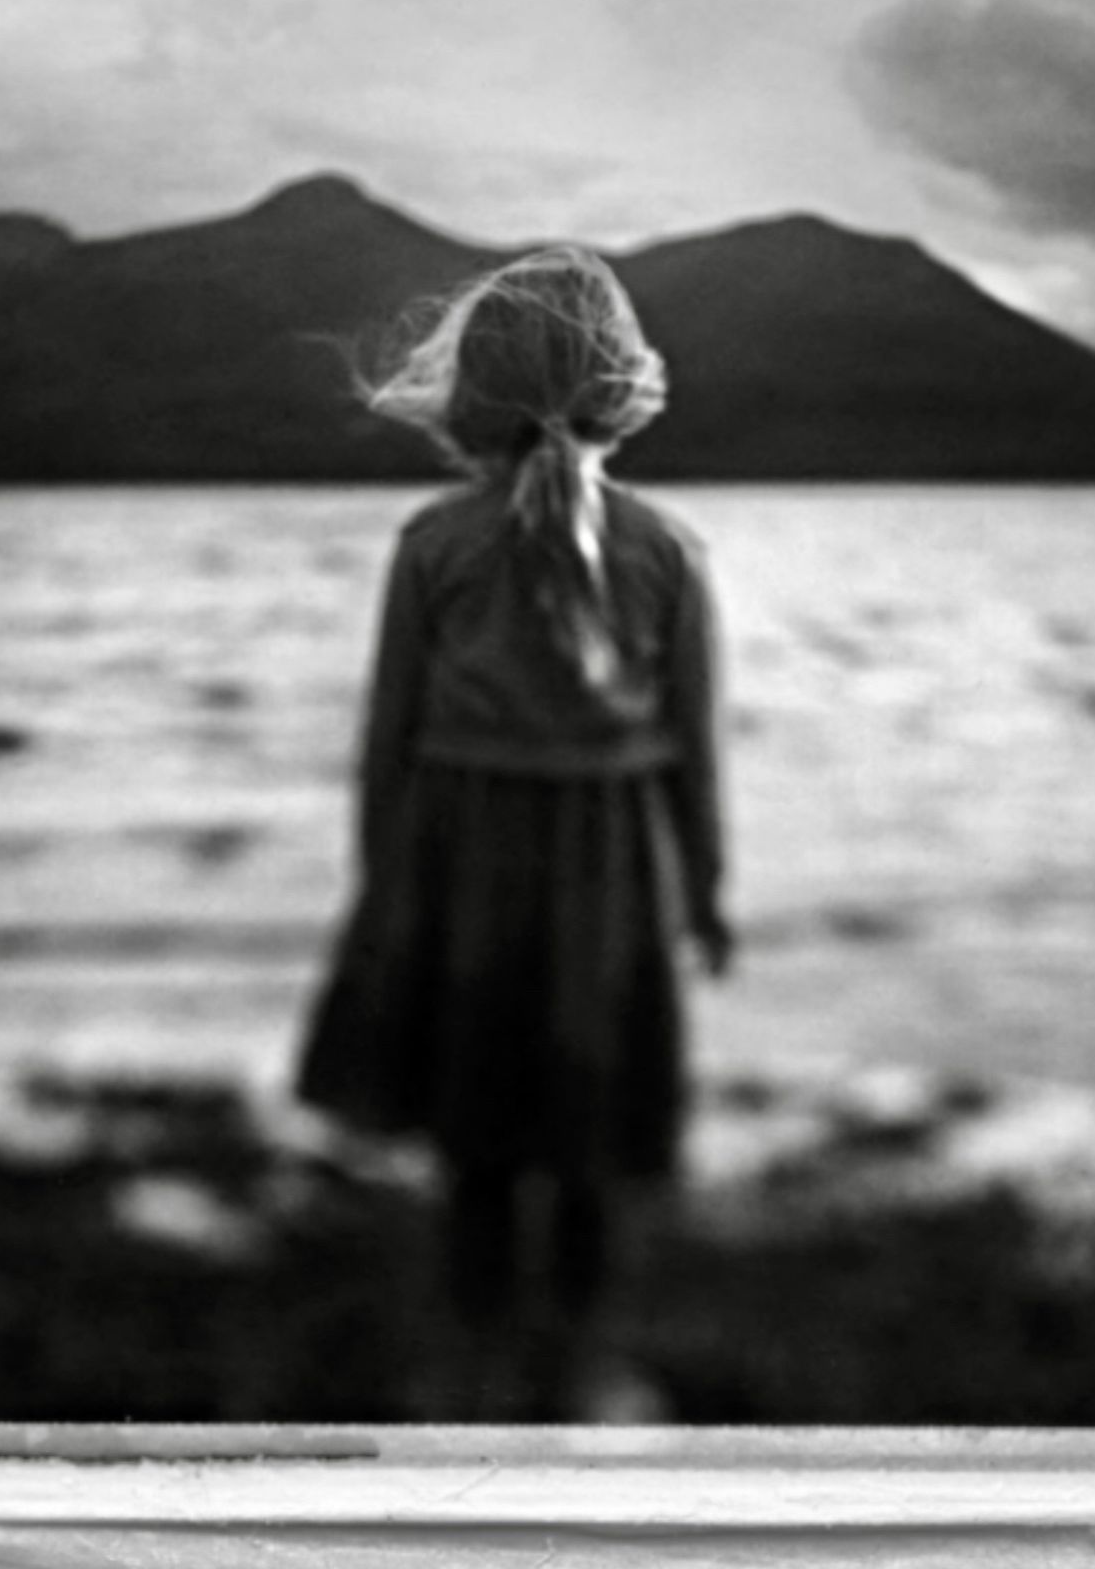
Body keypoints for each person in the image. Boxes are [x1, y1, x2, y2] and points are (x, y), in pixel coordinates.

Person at [294, 245, 733, 1422]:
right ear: (616, 386)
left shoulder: (433, 542)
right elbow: (695, 743)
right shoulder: (668, 549)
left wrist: (384, 884)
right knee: (590, 1129)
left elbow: (387, 738)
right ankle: (584, 1368)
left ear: (472, 392)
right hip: (615, 865)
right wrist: (705, 890)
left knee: (476, 1131)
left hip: (462, 861)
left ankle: (475, 1369)